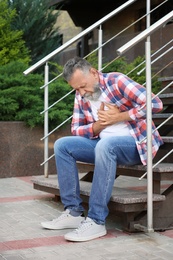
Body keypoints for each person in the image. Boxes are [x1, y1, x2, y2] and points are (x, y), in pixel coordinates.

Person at [41, 56, 163, 242]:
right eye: (77, 89)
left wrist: (120, 117)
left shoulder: (116, 81)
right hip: (103, 145)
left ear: (93, 72)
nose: (82, 92)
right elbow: (76, 129)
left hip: (136, 144)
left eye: (83, 86)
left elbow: (155, 103)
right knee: (62, 145)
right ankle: (73, 212)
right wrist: (99, 125)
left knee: (106, 146)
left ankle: (96, 220)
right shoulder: (81, 95)